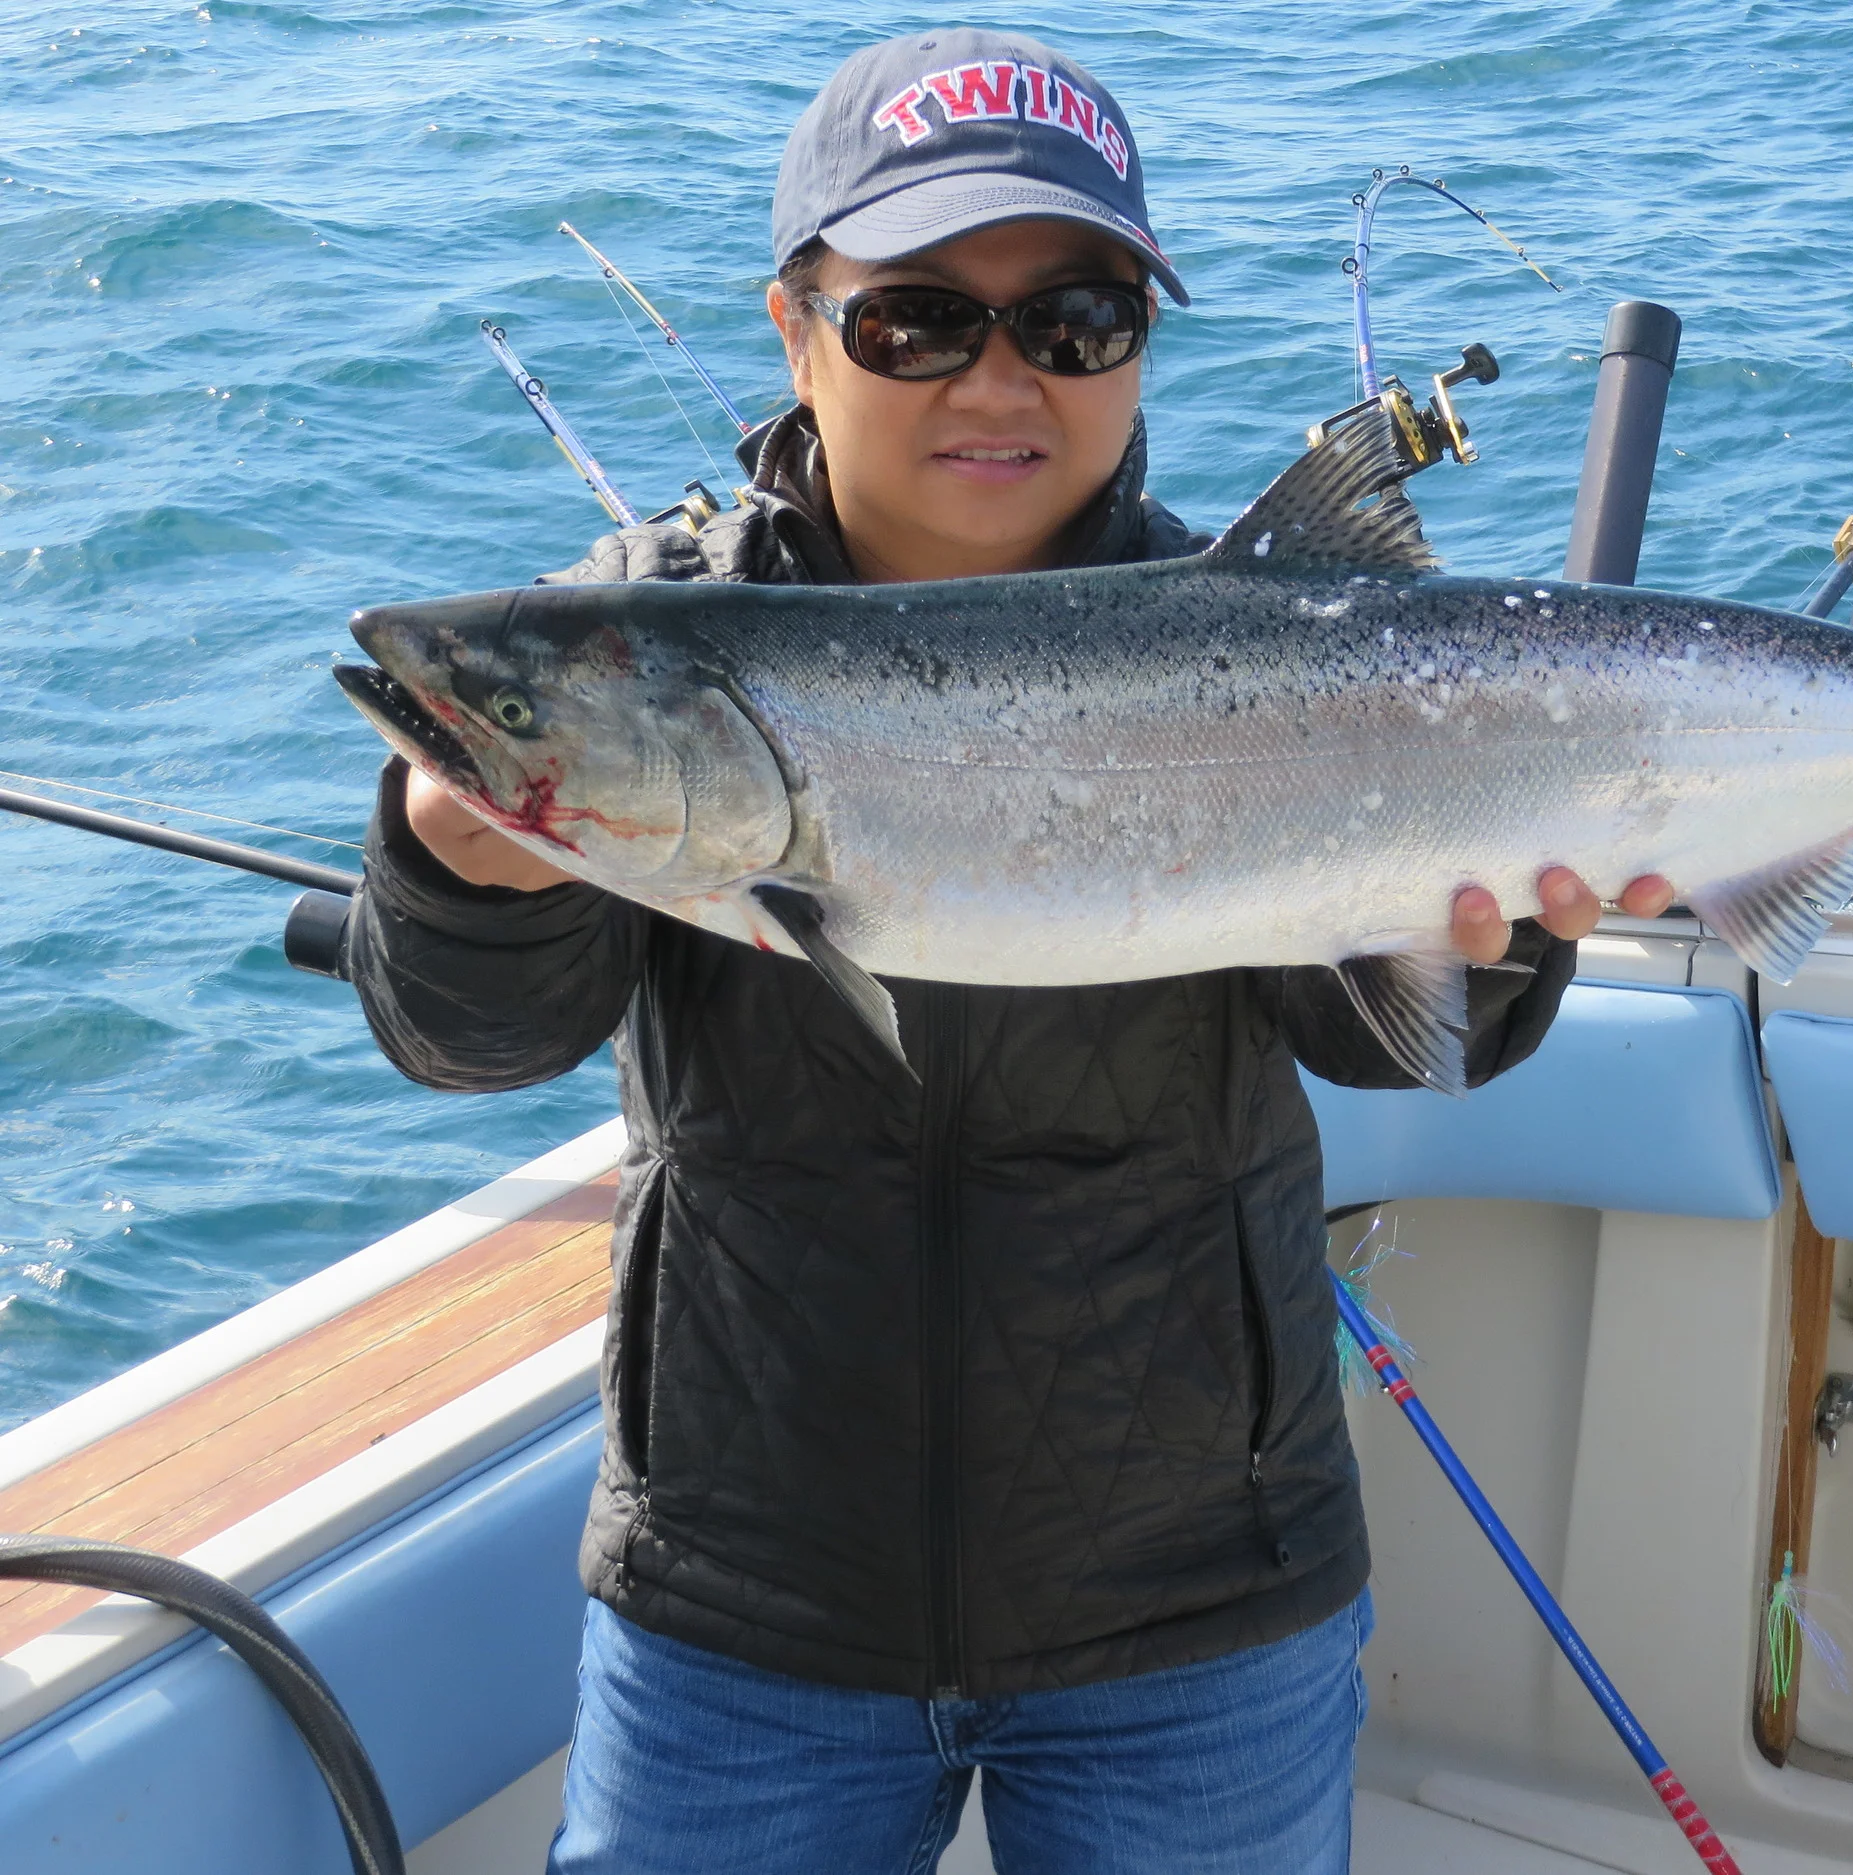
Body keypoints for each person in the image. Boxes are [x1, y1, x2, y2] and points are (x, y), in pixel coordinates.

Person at [348, 28, 1674, 1875]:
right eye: (914, 321)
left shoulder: (1273, 635)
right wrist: (467, 878)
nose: (1000, 378)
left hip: (1202, 1592)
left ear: (1138, 344)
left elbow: (1387, 1039)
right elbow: (471, 1042)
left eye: (1071, 319)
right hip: (747, 1595)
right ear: (796, 328)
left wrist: (1504, 942)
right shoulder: (624, 643)